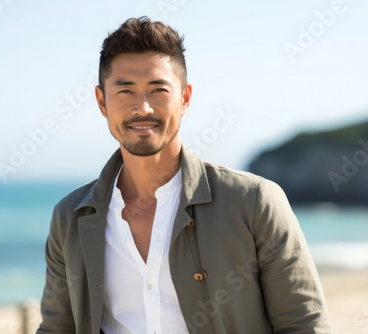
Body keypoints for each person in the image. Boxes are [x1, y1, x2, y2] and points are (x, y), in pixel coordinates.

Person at [37, 16, 331, 334]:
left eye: (158, 89)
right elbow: (57, 328)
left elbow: (304, 324)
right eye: (125, 91)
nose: (143, 108)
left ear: (185, 98)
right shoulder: (70, 218)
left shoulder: (254, 202)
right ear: (101, 101)